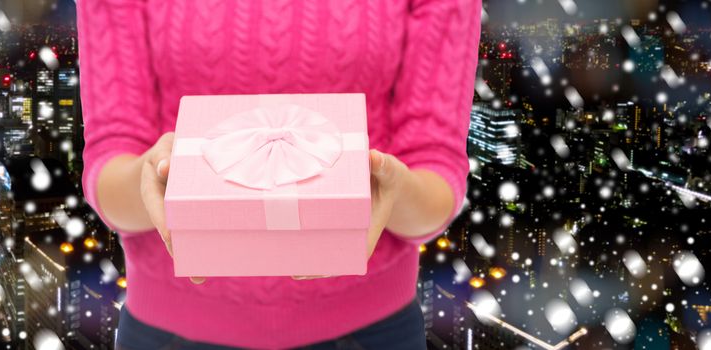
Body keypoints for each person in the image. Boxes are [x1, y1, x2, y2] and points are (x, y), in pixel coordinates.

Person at [77, 0, 481, 349]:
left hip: (373, 331)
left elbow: (435, 171)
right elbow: (111, 160)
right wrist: (150, 176)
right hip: (167, 330)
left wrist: (392, 188)